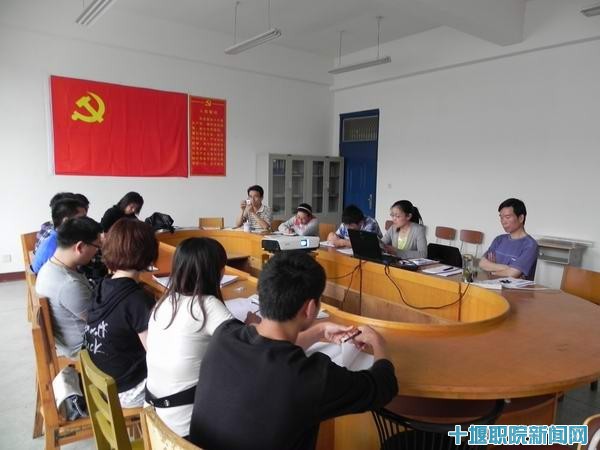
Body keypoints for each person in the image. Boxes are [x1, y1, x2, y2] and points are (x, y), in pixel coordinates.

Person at [188, 251, 398, 450]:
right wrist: (378, 342)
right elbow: (383, 386)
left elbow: (270, 350)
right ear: (310, 308)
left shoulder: (224, 336)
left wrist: (319, 331)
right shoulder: (310, 377)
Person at [146, 238, 258, 437]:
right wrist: (252, 325)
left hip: (155, 420)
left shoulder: (163, 303)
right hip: (185, 428)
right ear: (217, 272)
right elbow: (250, 349)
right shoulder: (207, 306)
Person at [83, 218, 157, 408]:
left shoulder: (103, 284)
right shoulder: (137, 300)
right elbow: (156, 353)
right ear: (148, 253)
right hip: (127, 390)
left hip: (103, 380)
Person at [35, 217, 102, 358]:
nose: (97, 252)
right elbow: (100, 319)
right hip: (85, 348)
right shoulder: (69, 284)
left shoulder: (49, 267)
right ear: (80, 247)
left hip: (68, 340)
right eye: (97, 246)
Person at [479, 198, 538, 280]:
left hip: (514, 288)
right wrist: (508, 268)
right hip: (492, 285)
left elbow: (513, 274)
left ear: (521, 218)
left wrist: (492, 270)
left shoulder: (530, 245)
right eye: (501, 218)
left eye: (507, 217)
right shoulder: (499, 239)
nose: (503, 222)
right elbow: (482, 263)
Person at [31, 198, 88, 273]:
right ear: (66, 221)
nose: (86, 222)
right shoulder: (53, 247)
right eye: (82, 218)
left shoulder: (65, 238)